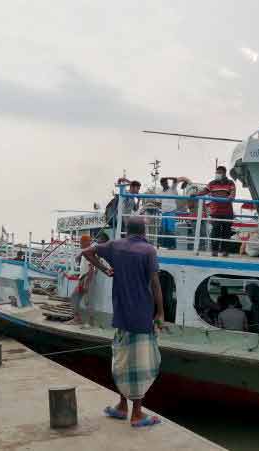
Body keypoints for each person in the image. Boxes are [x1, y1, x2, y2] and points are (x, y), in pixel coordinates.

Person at [82, 217, 164, 428]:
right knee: (141, 364)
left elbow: (87, 252)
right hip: (142, 314)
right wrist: (160, 313)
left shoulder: (114, 246)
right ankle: (137, 414)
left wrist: (104, 269)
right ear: (144, 231)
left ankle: (121, 406)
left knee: (122, 358)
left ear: (127, 230)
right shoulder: (148, 251)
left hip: (121, 314)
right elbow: (155, 285)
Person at [192, 166, 236, 257]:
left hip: (227, 212)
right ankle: (215, 251)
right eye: (217, 172)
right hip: (216, 212)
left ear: (224, 173)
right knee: (215, 231)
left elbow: (232, 193)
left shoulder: (230, 183)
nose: (217, 174)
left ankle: (225, 251)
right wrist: (195, 194)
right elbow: (204, 191)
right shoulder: (212, 183)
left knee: (226, 232)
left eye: (219, 172)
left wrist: (231, 196)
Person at [68, 235, 97, 327]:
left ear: (85, 242)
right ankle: (77, 319)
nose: (80, 244)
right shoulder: (86, 251)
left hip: (87, 278)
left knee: (87, 301)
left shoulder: (89, 251)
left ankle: (90, 322)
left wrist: (87, 282)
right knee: (75, 297)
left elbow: (91, 268)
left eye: (81, 242)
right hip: (83, 278)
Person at [158, 177, 179, 250]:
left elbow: (175, 180)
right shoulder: (160, 192)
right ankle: (167, 246)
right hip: (164, 212)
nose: (166, 184)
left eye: (166, 182)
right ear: (161, 184)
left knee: (170, 229)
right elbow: (158, 202)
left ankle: (173, 246)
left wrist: (168, 177)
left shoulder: (172, 189)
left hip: (171, 212)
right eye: (164, 183)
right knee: (165, 229)